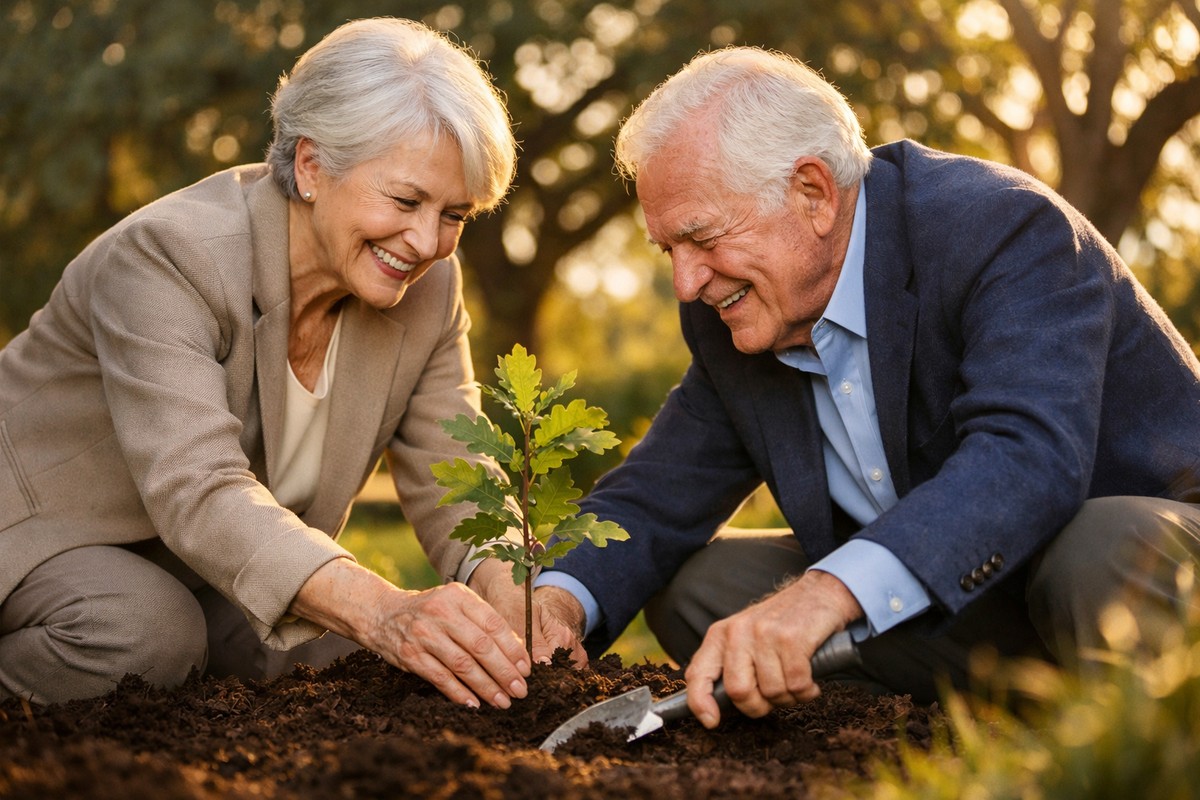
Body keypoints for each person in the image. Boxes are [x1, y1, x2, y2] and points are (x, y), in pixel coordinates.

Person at [499, 46, 1200, 727]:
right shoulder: (740, 314)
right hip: (975, 603)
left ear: (813, 194)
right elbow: (656, 494)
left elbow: (1027, 459)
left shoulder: (1002, 228)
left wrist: (822, 596)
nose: (686, 283)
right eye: (668, 251)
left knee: (1107, 542)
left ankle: (1127, 742)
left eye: (702, 238)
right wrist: (555, 604)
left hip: (1146, 568)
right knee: (702, 590)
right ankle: (970, 725)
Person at [0, 17, 532, 710]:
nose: (428, 241)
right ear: (311, 166)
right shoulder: (169, 256)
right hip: (41, 538)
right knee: (145, 633)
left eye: (455, 214)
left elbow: (457, 476)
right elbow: (199, 488)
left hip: (199, 567)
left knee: (374, 668)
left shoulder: (428, 290)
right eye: (405, 200)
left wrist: (514, 594)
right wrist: (384, 610)